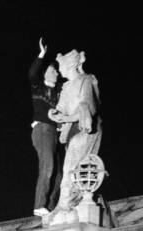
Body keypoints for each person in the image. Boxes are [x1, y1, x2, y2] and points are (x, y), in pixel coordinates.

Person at [48, 49, 102, 212]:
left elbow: (88, 108)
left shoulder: (86, 80)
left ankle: (66, 203)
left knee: (71, 167)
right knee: (71, 167)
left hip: (86, 129)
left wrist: (67, 118)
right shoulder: (66, 86)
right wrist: (55, 113)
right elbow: (62, 107)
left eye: (60, 66)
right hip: (70, 131)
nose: (59, 70)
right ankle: (74, 201)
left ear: (69, 66)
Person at [29, 37, 62, 217]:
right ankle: (39, 204)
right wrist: (41, 54)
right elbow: (32, 74)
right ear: (46, 74)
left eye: (56, 71)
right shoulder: (39, 87)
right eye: (53, 70)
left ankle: (49, 206)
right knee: (47, 165)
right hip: (42, 130)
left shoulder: (58, 93)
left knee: (59, 174)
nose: (56, 73)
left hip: (55, 133)